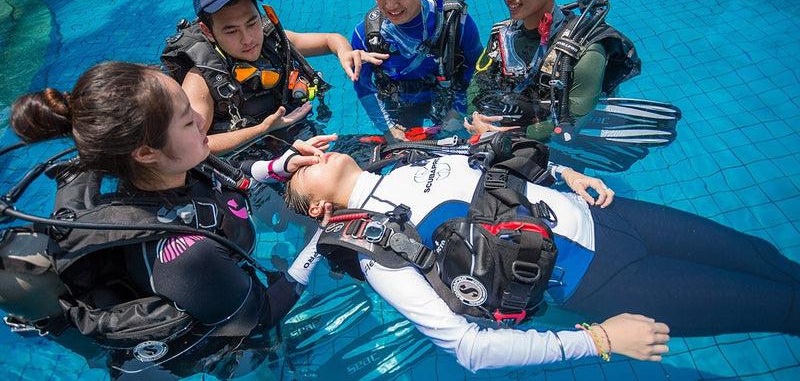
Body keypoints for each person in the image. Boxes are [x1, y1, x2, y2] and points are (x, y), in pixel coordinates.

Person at [283, 147, 800, 371]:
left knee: (764, 257)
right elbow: (469, 348)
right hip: (607, 280)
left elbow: (498, 171)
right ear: (321, 209)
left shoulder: (403, 158)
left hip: (613, 216)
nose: (311, 156)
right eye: (301, 170)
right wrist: (598, 339)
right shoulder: (380, 253)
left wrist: (565, 173)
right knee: (779, 307)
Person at [3, 62, 334, 379]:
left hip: (214, 279)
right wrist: (321, 238)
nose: (202, 120)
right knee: (259, 360)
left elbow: (222, 177)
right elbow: (261, 317)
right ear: (146, 152)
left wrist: (278, 167)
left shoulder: (165, 166)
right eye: (187, 121)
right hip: (213, 341)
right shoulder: (186, 254)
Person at [162, 0, 384, 155]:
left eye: (252, 23)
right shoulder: (200, 79)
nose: (248, 39)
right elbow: (193, 145)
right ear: (208, 32)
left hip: (299, 135)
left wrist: (344, 52)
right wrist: (262, 129)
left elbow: (329, 40)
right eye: (231, 31)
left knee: (377, 150)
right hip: (251, 160)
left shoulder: (273, 40)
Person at [465, 0, 640, 141]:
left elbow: (572, 124)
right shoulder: (502, 35)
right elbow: (478, 80)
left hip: (551, 143)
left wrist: (504, 137)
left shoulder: (585, 52)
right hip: (509, 125)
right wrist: (476, 117)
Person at [351, 0, 483, 142]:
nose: (390, 5)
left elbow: (477, 70)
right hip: (401, 107)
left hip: (448, 101)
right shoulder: (366, 34)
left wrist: (458, 111)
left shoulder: (455, 24)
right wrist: (387, 128)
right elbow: (363, 85)